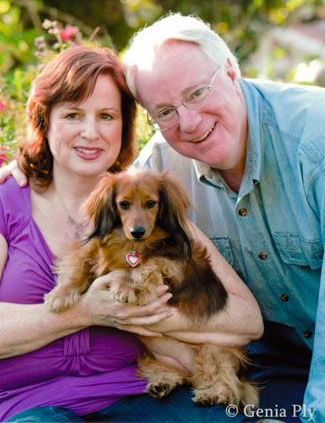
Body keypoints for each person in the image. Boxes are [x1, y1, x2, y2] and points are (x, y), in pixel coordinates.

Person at [0, 44, 263, 422]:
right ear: (45, 120)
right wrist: (83, 312)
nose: (90, 132)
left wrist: (145, 315)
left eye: (106, 116)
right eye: (73, 115)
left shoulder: (149, 207)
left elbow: (247, 319)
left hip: (140, 393)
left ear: (124, 127)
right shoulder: (8, 200)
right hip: (30, 405)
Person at [121, 13, 325, 423]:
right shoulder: (160, 169)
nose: (189, 123)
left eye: (197, 92)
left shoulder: (314, 142)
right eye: (164, 111)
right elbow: (113, 233)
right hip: (268, 365)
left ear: (231, 70)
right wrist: (32, 170)